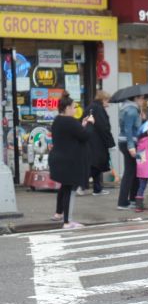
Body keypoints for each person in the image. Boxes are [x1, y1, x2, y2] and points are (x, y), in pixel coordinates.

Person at [49, 92, 95, 229]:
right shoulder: (69, 121)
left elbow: (73, 134)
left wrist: (82, 124)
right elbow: (85, 135)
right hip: (69, 161)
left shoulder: (58, 120)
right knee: (70, 189)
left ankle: (59, 214)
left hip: (59, 159)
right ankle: (68, 221)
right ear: (67, 108)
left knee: (64, 187)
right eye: (74, 107)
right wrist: (90, 123)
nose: (75, 110)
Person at [85, 90, 115, 195]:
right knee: (96, 165)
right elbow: (104, 127)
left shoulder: (90, 107)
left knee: (95, 165)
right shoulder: (99, 109)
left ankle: (97, 188)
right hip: (98, 142)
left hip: (90, 140)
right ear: (103, 100)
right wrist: (110, 143)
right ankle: (80, 184)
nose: (108, 104)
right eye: (107, 101)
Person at [117, 95, 144, 210]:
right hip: (130, 142)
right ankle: (123, 202)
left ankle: (132, 199)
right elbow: (128, 129)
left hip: (127, 142)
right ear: (136, 99)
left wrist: (142, 118)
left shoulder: (127, 109)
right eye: (142, 98)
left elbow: (133, 127)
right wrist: (131, 146)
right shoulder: (132, 111)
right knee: (130, 172)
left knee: (133, 171)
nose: (144, 101)